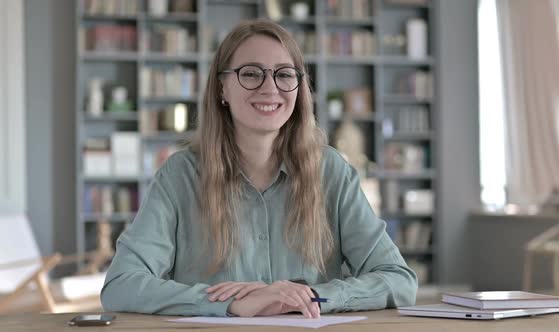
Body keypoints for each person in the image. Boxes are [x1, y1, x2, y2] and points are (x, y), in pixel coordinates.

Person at [101, 19, 417, 318]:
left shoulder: (330, 170)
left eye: (284, 74)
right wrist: (234, 303)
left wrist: (307, 297)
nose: (270, 88)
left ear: (299, 87)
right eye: (251, 74)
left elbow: (399, 280)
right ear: (221, 88)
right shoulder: (180, 175)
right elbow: (121, 285)